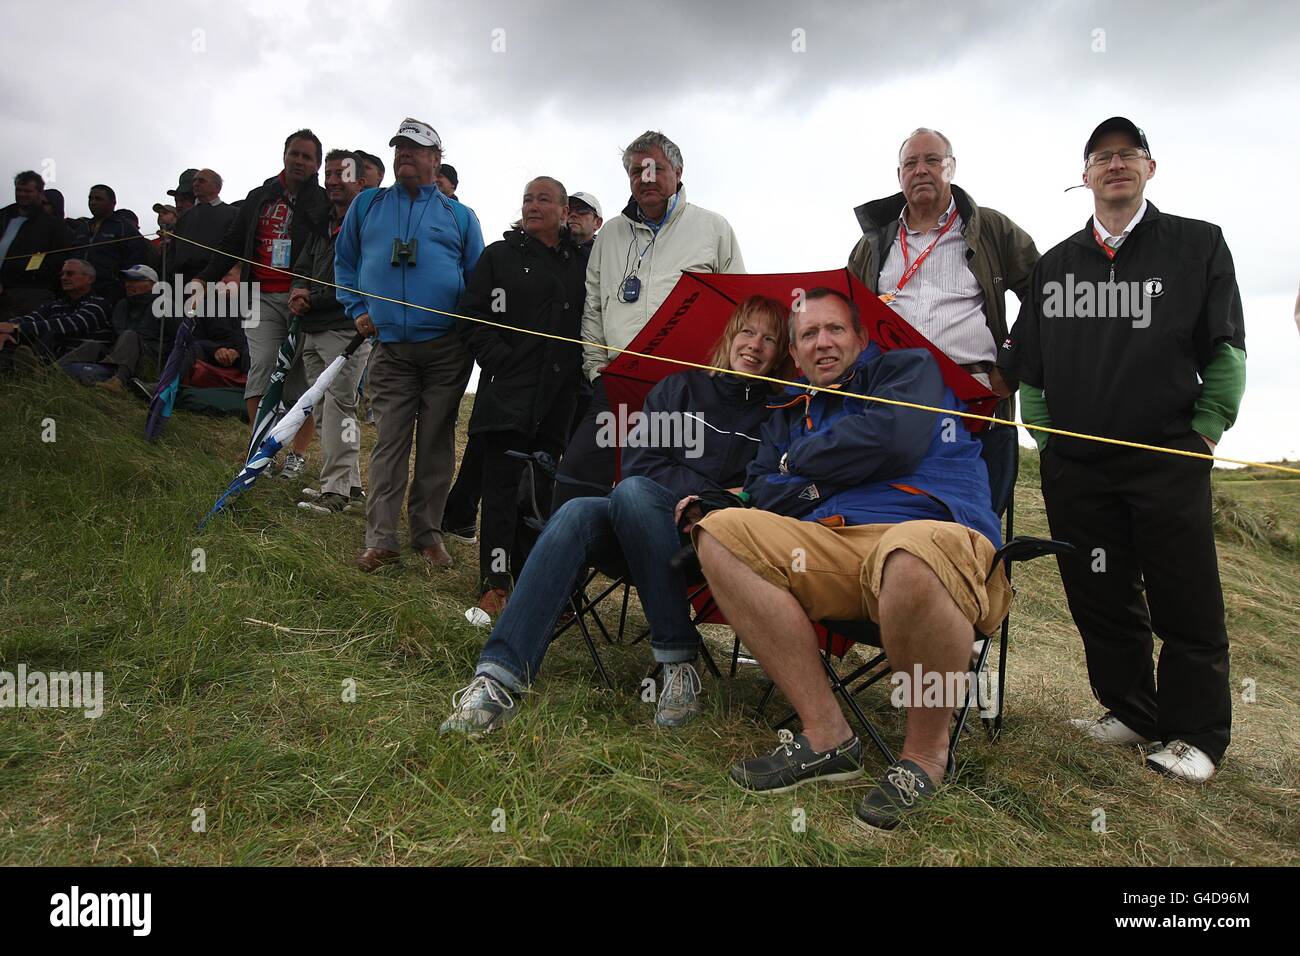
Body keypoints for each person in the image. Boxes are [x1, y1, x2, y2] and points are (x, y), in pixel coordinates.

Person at [691, 288, 1007, 830]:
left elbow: (895, 439)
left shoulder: (908, 370)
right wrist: (814, 484)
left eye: (835, 329)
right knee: (719, 532)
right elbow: (764, 490)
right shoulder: (786, 414)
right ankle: (826, 736)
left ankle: (925, 758)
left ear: (861, 338)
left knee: (908, 556)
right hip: (831, 543)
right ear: (795, 354)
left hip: (930, 528)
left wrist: (802, 464)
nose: (823, 342)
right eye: (809, 335)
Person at [999, 117, 1246, 783]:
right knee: (1099, 593)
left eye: (1127, 154)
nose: (1114, 165)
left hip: (1168, 457)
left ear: (1149, 168)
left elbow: (1224, 350)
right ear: (1083, 177)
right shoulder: (1054, 266)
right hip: (1077, 469)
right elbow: (1032, 372)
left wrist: (1204, 433)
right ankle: (1135, 709)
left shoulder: (1197, 246)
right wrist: (1048, 443)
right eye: (1101, 157)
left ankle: (1196, 736)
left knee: (1184, 597)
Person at [440, 295, 789, 735]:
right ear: (730, 336)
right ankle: (497, 679)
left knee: (632, 493)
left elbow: (766, 485)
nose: (755, 345)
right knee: (582, 511)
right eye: (747, 332)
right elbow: (643, 463)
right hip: (639, 518)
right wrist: (705, 493)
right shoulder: (680, 390)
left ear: (780, 355)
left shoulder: (779, 416)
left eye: (770, 339)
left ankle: (677, 665)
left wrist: (713, 503)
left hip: (709, 544)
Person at [848, 128, 1038, 512]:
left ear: (951, 168)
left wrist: (1010, 367)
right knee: (891, 511)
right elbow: (848, 317)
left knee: (970, 519)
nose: (921, 170)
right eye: (910, 163)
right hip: (891, 400)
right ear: (898, 175)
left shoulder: (992, 229)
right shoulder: (871, 244)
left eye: (932, 160)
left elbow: (1044, 295)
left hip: (974, 399)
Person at [554, 130, 745, 512]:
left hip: (690, 388)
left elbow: (739, 307)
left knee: (670, 487)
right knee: (575, 479)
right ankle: (565, 566)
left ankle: (662, 566)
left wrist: (722, 374)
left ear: (678, 171)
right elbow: (593, 305)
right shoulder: (609, 235)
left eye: (656, 168)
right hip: (620, 383)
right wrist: (596, 370)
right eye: (637, 171)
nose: (646, 178)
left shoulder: (713, 228)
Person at [334, 118, 485, 573]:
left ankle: (427, 535)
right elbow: (345, 263)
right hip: (390, 349)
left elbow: (477, 282)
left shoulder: (460, 216)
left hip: (446, 350)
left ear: (436, 159)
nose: (405, 155)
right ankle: (380, 539)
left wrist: (471, 334)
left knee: (436, 443)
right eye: (399, 147)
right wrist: (356, 308)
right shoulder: (366, 205)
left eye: (416, 149)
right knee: (390, 443)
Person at [454, 176, 588, 614]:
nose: (532, 205)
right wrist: (499, 359)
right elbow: (471, 315)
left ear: (564, 211)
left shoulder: (582, 263)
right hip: (507, 395)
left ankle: (535, 583)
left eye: (543, 199)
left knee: (540, 494)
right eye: (528, 198)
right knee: (500, 493)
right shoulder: (499, 256)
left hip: (558, 401)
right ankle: (494, 584)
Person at [196, 129, 330, 465]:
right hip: (259, 295)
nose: (299, 161)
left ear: (317, 165)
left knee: (298, 378)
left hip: (302, 298)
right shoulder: (259, 196)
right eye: (294, 153)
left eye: (307, 157)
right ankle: (260, 450)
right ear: (284, 155)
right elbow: (231, 242)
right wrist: (203, 279)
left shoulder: (323, 202)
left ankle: (297, 454)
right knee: (262, 368)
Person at [289, 149, 372, 515]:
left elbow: (359, 279)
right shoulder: (322, 221)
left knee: (339, 406)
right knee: (325, 408)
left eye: (343, 173)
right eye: (330, 173)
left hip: (346, 328)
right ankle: (349, 486)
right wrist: (297, 291)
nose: (334, 180)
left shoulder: (369, 221)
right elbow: (304, 263)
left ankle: (335, 491)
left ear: (361, 180)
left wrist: (313, 297)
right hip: (314, 326)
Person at [57, 264, 176, 389]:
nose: (129, 284)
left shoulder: (165, 305)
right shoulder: (122, 305)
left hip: (149, 361)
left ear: (153, 285)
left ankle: (118, 382)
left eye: (135, 280)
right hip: (120, 355)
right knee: (93, 344)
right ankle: (52, 371)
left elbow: (178, 341)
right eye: (128, 280)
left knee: (129, 335)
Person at [0, 259, 111, 366]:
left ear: (90, 279)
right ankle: (36, 369)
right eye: (62, 274)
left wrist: (16, 328)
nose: (64, 278)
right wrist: (5, 330)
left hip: (86, 362)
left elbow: (68, 325)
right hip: (55, 358)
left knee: (74, 369)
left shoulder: (99, 304)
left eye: (70, 274)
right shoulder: (57, 304)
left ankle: (39, 371)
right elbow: (31, 318)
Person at [0, 171, 74, 321]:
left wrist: (29, 273)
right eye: (19, 190)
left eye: (28, 191)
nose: (22, 194)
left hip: (31, 293)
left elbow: (59, 259)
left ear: (40, 194)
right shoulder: (3, 216)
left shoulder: (53, 225)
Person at [71, 185, 151, 304]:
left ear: (113, 203)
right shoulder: (83, 227)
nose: (93, 202)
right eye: (90, 198)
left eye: (98, 199)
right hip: (78, 292)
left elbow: (135, 261)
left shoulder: (124, 228)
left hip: (109, 294)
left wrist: (120, 286)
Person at [170, 168, 238, 284]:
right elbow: (173, 250)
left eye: (201, 181)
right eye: (194, 181)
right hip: (182, 282)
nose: (196, 184)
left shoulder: (234, 214)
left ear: (217, 187)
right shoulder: (184, 217)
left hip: (216, 281)